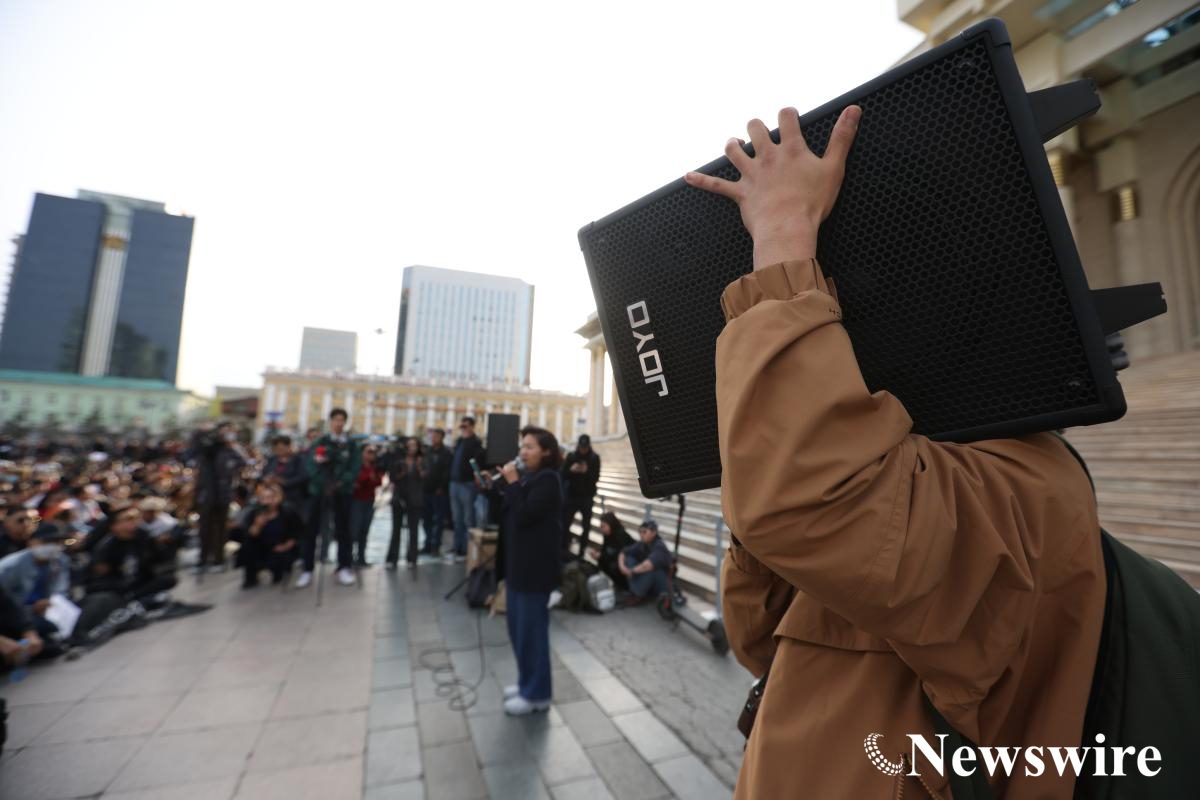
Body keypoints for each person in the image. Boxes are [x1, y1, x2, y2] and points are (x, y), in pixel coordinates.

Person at [685, 106, 1106, 798]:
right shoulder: (884, 466)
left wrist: (785, 235)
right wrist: (757, 474)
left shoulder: (1027, 486)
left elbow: (804, 509)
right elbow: (757, 642)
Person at [498, 426, 564, 716]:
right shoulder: (529, 478)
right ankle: (526, 682)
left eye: (530, 447)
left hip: (534, 571)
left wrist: (513, 484)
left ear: (546, 452)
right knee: (517, 630)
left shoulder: (549, 480)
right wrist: (501, 485)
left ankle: (538, 695)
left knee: (531, 634)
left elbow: (525, 515)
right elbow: (510, 510)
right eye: (522, 446)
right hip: (518, 566)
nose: (523, 452)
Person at [300, 408, 360, 588]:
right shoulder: (321, 442)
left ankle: (343, 567)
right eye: (336, 420)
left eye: (342, 420)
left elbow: (354, 467)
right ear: (330, 421)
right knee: (311, 529)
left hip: (342, 491)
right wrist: (323, 482)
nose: (338, 423)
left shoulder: (350, 445)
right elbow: (311, 466)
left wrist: (341, 482)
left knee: (343, 530)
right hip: (320, 490)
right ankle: (307, 569)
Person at [0, 523, 71, 649]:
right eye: (47, 541)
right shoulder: (10, 567)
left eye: (57, 542)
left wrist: (53, 603)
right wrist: (32, 609)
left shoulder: (60, 560)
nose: (53, 546)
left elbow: (61, 591)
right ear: (31, 542)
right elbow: (6, 606)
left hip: (50, 611)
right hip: (19, 616)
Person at [193, 422, 245, 572]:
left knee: (220, 528)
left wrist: (231, 445)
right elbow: (196, 445)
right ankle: (203, 559)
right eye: (223, 431)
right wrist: (205, 431)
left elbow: (242, 462)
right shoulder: (208, 447)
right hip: (207, 493)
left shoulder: (230, 450)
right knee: (204, 528)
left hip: (223, 494)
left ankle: (218, 560)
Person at [236, 481, 301, 588]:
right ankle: (251, 577)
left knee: (280, 561)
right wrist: (257, 525)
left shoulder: (287, 512)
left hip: (281, 548)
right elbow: (250, 534)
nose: (268, 501)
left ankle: (279, 572)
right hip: (262, 547)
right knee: (247, 546)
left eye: (271, 497)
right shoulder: (255, 513)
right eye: (264, 498)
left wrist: (284, 547)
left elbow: (295, 535)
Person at [447, 416, 484, 564]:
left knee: (468, 518)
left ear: (472, 427)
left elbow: (477, 462)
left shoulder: (475, 443)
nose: (463, 428)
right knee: (457, 518)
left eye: (465, 426)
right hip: (454, 483)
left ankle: (467, 549)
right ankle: (457, 548)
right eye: (461, 426)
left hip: (466, 484)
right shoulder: (459, 442)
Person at [386, 438, 425, 569]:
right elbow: (392, 477)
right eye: (410, 445)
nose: (412, 448)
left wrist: (419, 468)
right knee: (396, 529)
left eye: (414, 445)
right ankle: (392, 558)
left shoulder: (421, 461)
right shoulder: (398, 460)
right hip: (399, 498)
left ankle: (412, 558)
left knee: (413, 530)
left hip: (414, 499)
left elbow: (426, 477)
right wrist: (401, 473)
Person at [561, 434, 601, 557]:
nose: (583, 449)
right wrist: (571, 470)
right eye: (581, 447)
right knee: (565, 523)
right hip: (572, 496)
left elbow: (595, 478)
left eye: (585, 447)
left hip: (587, 498)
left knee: (586, 526)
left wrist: (586, 471)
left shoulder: (594, 458)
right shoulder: (571, 456)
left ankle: (582, 551)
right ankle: (564, 548)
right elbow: (563, 474)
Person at [618, 519, 672, 603]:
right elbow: (623, 552)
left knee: (651, 569)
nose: (641, 535)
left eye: (644, 532)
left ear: (654, 533)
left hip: (661, 583)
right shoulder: (643, 544)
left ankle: (638, 593)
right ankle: (637, 591)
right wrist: (622, 567)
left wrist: (631, 571)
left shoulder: (659, 546)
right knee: (629, 558)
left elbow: (648, 565)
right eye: (640, 532)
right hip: (648, 579)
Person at [349, 445, 384, 567]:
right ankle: (349, 557)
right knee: (354, 530)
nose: (371, 455)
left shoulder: (375, 467)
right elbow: (358, 481)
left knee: (364, 530)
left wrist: (369, 479)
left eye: (373, 452)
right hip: (357, 501)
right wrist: (368, 478)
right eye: (369, 452)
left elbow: (378, 482)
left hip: (369, 501)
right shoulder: (356, 466)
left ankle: (361, 558)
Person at [421, 428, 452, 556]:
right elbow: (423, 466)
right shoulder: (427, 452)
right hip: (426, 489)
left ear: (442, 437)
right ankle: (427, 544)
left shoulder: (447, 453)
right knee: (426, 519)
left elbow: (447, 472)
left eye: (436, 436)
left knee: (438, 520)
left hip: (439, 491)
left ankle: (436, 545)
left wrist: (441, 487)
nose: (433, 439)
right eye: (432, 436)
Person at [589, 511, 635, 590]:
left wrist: (602, 555)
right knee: (602, 561)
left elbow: (621, 553)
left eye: (604, 526)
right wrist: (598, 554)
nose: (602, 529)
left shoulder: (620, 535)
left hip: (628, 560)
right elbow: (605, 549)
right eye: (601, 526)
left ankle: (624, 586)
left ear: (611, 525)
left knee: (613, 565)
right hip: (616, 557)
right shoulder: (607, 534)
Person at [263, 435, 308, 511]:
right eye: (276, 448)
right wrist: (267, 479)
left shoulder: (298, 459)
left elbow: (303, 476)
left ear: (289, 447)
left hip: (292, 495)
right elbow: (264, 473)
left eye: (281, 448)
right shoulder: (272, 459)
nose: (279, 451)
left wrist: (284, 482)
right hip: (272, 495)